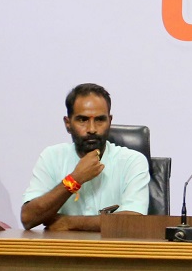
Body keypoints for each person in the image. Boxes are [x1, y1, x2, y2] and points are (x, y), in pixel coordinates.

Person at [21, 83, 150, 231]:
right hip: (62, 252)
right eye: (82, 120)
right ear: (68, 124)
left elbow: (133, 221)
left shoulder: (132, 161)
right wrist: (74, 180)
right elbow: (28, 218)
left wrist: (69, 223)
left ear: (110, 121)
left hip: (114, 252)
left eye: (100, 120)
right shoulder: (51, 157)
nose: (92, 129)